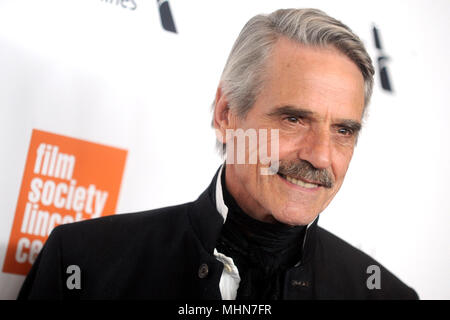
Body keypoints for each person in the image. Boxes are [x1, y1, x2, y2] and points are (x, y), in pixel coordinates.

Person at [18, 8, 418, 300]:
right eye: (294, 119)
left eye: (343, 130)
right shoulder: (84, 263)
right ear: (227, 114)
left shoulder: (389, 297)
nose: (319, 155)